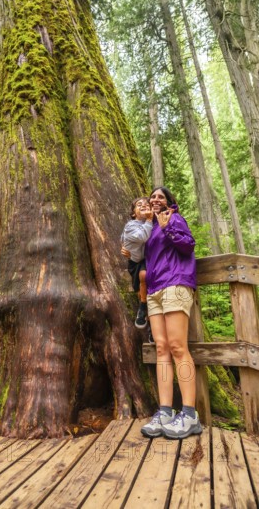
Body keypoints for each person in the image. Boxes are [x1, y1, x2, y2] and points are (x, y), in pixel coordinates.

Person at [131, 187, 202, 439]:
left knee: (177, 347)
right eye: (153, 197)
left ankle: (190, 413)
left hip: (176, 283)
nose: (155, 200)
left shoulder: (174, 219)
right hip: (154, 291)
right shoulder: (149, 229)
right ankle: (165, 411)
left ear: (170, 202)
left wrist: (168, 225)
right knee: (161, 348)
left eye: (161, 196)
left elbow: (187, 246)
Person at [121, 197, 153, 328]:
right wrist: (149, 220)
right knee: (141, 290)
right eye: (139, 205)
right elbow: (142, 237)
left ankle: (145, 311)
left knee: (146, 279)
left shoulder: (153, 223)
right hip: (135, 262)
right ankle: (143, 307)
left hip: (148, 260)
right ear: (134, 213)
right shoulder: (131, 225)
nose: (144, 206)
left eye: (147, 204)